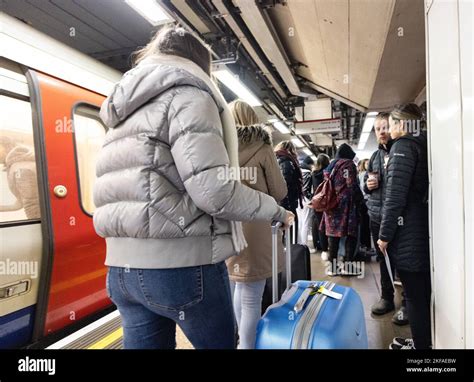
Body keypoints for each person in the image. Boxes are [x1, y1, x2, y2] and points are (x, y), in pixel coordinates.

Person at [93, 26, 294, 349]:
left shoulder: (122, 108)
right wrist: (276, 210)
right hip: (180, 267)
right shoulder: (190, 94)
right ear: (200, 63)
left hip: (121, 270)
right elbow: (215, 193)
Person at [225, 100, 287, 349]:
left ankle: (241, 342)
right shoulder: (262, 148)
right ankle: (247, 346)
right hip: (256, 228)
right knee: (252, 296)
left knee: (238, 285)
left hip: (228, 227)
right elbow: (279, 191)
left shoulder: (220, 148)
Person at [377, 104, 430, 349]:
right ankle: (426, 341)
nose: (389, 129)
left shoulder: (403, 147)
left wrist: (384, 235)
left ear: (402, 125)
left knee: (415, 297)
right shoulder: (423, 143)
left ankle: (421, 349)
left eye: (392, 124)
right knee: (421, 294)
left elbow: (395, 197)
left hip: (408, 232)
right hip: (421, 229)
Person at [364, 113, 408, 325]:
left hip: (397, 217)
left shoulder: (402, 151)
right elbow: (368, 182)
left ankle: (408, 304)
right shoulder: (374, 156)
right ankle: (386, 298)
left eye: (384, 127)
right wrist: (367, 185)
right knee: (383, 258)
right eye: (377, 129)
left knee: (402, 259)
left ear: (392, 127)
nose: (381, 131)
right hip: (376, 215)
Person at [322, 144, 363, 276]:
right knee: (351, 235)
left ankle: (333, 268)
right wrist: (360, 200)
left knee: (333, 237)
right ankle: (348, 266)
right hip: (346, 206)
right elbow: (352, 185)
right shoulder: (348, 164)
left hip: (331, 206)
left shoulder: (331, 165)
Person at [0, 136, 40, 219]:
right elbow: (21, 202)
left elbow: (32, 206)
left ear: (4, 146)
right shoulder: (17, 164)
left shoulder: (20, 168)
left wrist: (35, 229)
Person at [275, 141, 303, 243]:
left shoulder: (277, 160)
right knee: (289, 235)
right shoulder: (288, 162)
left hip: (280, 205)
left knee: (280, 235)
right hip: (287, 206)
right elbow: (286, 186)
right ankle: (289, 256)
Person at [311, 153, 330, 260]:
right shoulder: (328, 174)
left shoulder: (314, 173)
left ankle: (323, 250)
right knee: (329, 226)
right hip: (328, 203)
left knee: (320, 227)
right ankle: (330, 247)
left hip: (317, 203)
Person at [297, 156, 314, 246]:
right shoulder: (308, 173)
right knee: (306, 222)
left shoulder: (297, 171)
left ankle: (299, 243)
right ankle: (304, 245)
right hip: (305, 200)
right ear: (309, 164)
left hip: (297, 199)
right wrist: (310, 199)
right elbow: (307, 189)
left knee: (300, 222)